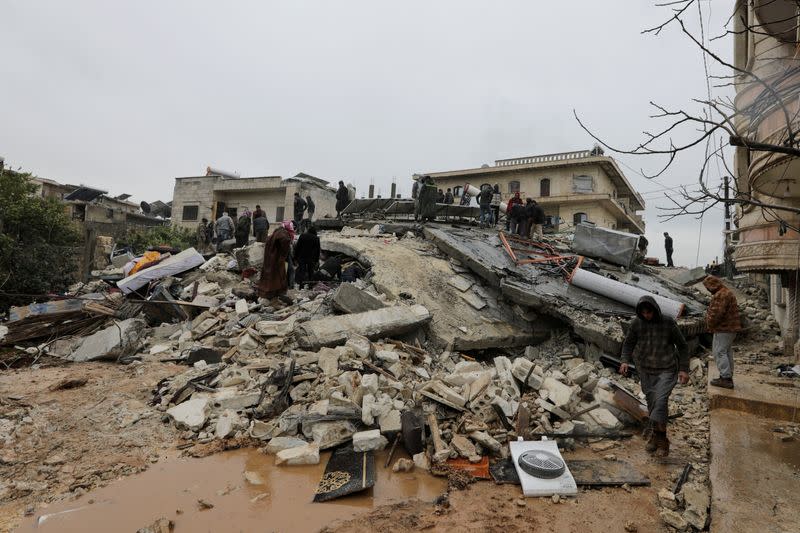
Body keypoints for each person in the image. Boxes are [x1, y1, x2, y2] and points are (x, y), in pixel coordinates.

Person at [620, 296, 689, 457]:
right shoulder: (637, 323)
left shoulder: (667, 322)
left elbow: (683, 346)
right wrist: (624, 360)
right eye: (643, 313)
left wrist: (684, 369)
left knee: (660, 401)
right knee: (653, 404)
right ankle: (655, 437)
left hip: (666, 369)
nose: (647, 316)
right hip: (645, 370)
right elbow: (628, 343)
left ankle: (662, 441)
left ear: (655, 310)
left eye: (649, 312)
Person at [703, 276, 741, 389]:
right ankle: (727, 375)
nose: (708, 290)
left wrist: (709, 324)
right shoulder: (726, 292)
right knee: (726, 352)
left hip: (724, 328)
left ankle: (725, 378)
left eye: (708, 287)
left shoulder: (721, 294)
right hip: (731, 328)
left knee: (719, 352)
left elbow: (716, 314)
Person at [257, 222, 292, 300]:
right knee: (277, 277)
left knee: (269, 276)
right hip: (276, 260)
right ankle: (276, 293)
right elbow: (285, 240)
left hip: (269, 260)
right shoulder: (282, 234)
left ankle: (267, 293)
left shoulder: (272, 236)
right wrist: (283, 256)